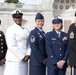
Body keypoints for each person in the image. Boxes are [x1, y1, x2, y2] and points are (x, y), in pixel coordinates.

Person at [3, 10, 31, 75]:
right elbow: (11, 45)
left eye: (19, 17)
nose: (18, 19)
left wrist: (28, 54)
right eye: (16, 17)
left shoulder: (26, 29)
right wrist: (22, 56)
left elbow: (29, 43)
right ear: (13, 19)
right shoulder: (11, 29)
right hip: (14, 60)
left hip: (25, 60)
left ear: (22, 17)